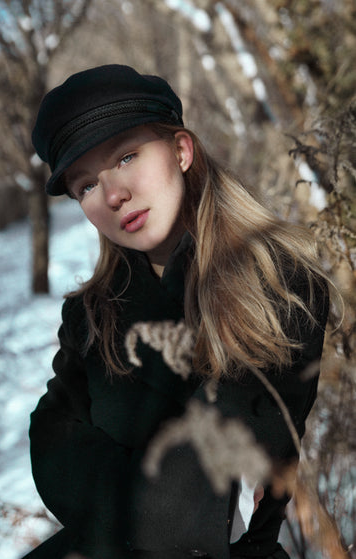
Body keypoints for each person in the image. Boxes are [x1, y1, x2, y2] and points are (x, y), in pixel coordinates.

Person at [23, 64, 329, 559]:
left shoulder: (278, 285)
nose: (113, 195)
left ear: (182, 151)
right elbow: (49, 442)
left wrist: (101, 482)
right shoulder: (91, 315)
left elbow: (207, 498)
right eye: (85, 187)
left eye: (126, 157)